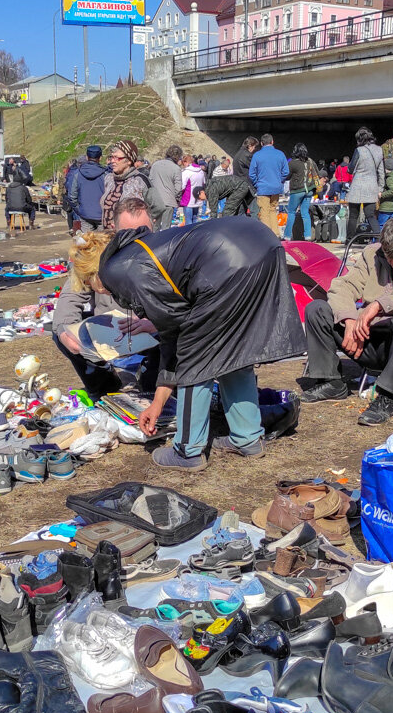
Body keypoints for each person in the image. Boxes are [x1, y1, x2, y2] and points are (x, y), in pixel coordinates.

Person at [69, 215, 305, 470]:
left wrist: (159, 398)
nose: (95, 290)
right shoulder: (131, 252)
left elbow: (176, 333)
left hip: (227, 263)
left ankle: (187, 450)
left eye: (88, 284)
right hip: (261, 242)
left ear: (93, 273)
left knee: (195, 356)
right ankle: (247, 438)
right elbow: (176, 317)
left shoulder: (117, 271)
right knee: (233, 348)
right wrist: (159, 401)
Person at [298, 215, 393, 426]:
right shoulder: (372, 254)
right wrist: (349, 319)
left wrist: (380, 304)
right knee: (317, 309)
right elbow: (343, 286)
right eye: (389, 258)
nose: (392, 264)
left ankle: (388, 395)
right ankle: (330, 381)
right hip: (371, 339)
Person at [54, 197, 160, 398]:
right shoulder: (98, 254)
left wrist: (157, 323)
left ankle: (151, 381)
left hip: (153, 334)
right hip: (110, 335)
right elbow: (70, 297)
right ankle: (105, 386)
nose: (138, 240)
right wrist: (64, 332)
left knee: (150, 388)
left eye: (144, 232)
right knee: (63, 331)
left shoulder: (164, 254)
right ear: (114, 228)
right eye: (129, 233)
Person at [101, 139, 150, 230]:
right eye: (112, 157)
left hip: (131, 238)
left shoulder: (140, 180)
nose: (112, 161)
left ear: (129, 161)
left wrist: (146, 226)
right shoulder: (109, 179)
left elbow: (159, 207)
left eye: (117, 158)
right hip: (108, 237)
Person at [345, 127, 385, 240]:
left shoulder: (359, 150)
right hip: (372, 186)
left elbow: (351, 169)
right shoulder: (379, 150)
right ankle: (379, 238)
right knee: (371, 215)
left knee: (353, 216)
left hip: (358, 185)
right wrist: (380, 189)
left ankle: (349, 240)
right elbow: (381, 172)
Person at [248, 134, 288, 236]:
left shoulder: (257, 155)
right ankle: (276, 234)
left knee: (264, 212)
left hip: (263, 187)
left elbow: (251, 173)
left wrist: (257, 184)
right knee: (273, 210)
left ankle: (267, 235)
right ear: (272, 142)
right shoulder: (280, 154)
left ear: (261, 143)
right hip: (276, 187)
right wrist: (279, 181)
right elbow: (286, 172)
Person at [69, 145, 108, 232]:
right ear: (100, 157)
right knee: (102, 243)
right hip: (102, 215)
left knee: (87, 243)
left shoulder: (78, 173)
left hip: (85, 215)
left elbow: (72, 197)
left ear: (87, 157)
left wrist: (80, 210)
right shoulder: (105, 174)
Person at [147, 144, 183, 230]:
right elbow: (178, 188)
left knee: (154, 227)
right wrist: (174, 197)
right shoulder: (176, 168)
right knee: (166, 229)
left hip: (155, 201)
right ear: (178, 157)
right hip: (169, 201)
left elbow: (150, 181)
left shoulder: (155, 164)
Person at [283, 142, 314, 241]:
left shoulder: (292, 163)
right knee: (305, 213)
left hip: (297, 190)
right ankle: (308, 235)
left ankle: (287, 236)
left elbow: (287, 176)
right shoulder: (310, 161)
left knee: (291, 212)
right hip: (309, 190)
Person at [232, 137, 259, 213]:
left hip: (238, 185)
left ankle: (241, 224)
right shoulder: (247, 155)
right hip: (247, 186)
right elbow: (254, 169)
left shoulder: (237, 154)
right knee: (254, 210)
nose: (254, 149)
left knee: (241, 210)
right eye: (254, 147)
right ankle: (254, 225)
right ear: (250, 145)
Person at [180, 154, 205, 226]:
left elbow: (182, 187)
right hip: (197, 198)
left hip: (188, 199)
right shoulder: (201, 171)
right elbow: (204, 183)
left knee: (188, 222)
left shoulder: (186, 172)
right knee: (195, 220)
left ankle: (189, 236)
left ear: (185, 162)